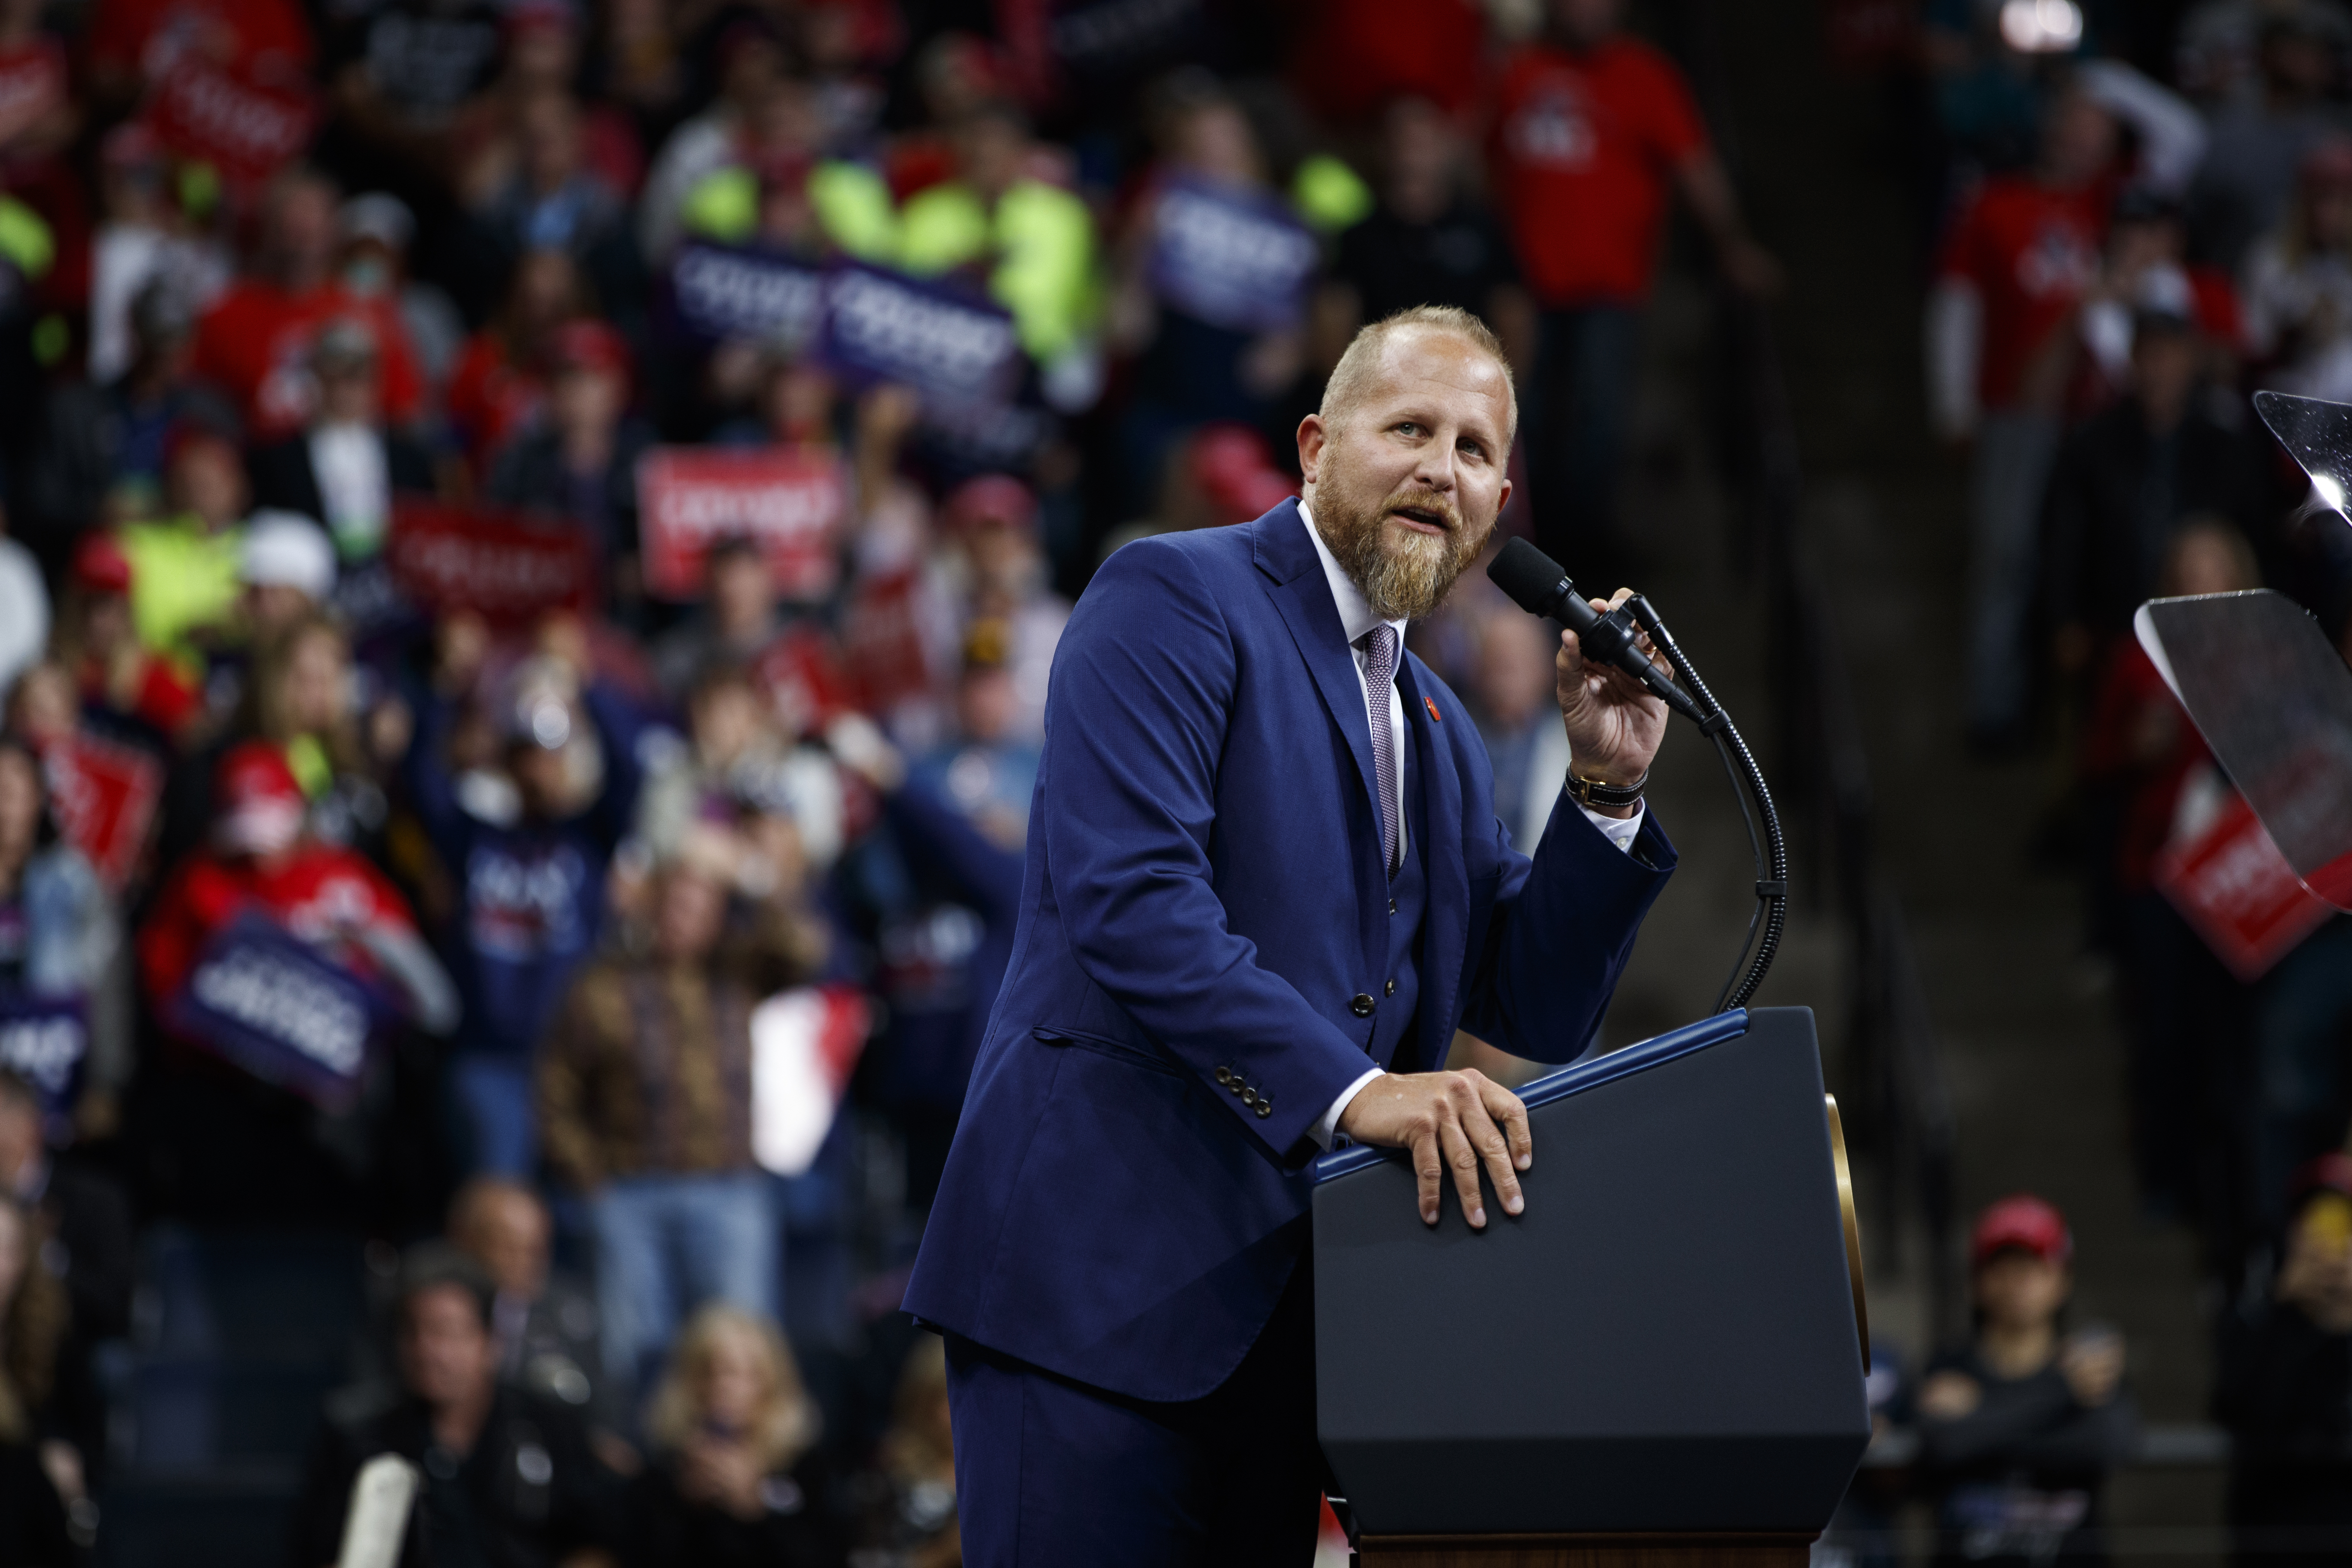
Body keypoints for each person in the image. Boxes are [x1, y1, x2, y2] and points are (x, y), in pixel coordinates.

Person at [902, 304, 1677, 1562]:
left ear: (1497, 508)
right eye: (1411, 427)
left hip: (1288, 1349)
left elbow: (1523, 1003)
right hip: (1091, 1298)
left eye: (1479, 449)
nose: (1446, 465)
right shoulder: (1172, 594)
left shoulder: (1437, 721)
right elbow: (1135, 904)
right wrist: (1361, 1090)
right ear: (1317, 445)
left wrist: (1604, 789)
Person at [1489, 0, 1778, 583]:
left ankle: (1577, 556)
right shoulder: (1515, 72)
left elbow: (1694, 166)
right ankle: (1524, 553)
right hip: (1524, 290)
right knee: (1521, 423)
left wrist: (1731, 244)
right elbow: (1480, 157)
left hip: (1609, 290)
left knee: (1598, 426)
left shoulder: (1646, 76)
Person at [538, 853, 822, 1399]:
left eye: (697, 908)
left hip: (729, 1189)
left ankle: (739, 1474)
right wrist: (587, 1175)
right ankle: (644, 1469)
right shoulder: (601, 985)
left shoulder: (741, 974)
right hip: (629, 1192)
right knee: (635, 1353)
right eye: (670, 904)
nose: (680, 919)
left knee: (742, 1348)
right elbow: (557, 1087)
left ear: (718, 918)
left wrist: (748, 877)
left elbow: (802, 948)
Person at [288, 1246, 622, 1568]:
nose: (428, 1351)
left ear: (490, 1342)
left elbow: (596, 1546)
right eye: (413, 1333)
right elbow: (320, 1553)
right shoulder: (355, 1435)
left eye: (445, 1332)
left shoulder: (551, 1424)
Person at [1917, 1195, 2137, 1567]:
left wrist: (1982, 1420)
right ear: (1979, 1281)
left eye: (2034, 1267)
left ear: (2062, 1280)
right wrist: (2063, 1395)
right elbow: (1945, 1443)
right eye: (2002, 1266)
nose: (2018, 1282)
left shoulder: (2090, 1361)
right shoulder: (1949, 1364)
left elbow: (2110, 1441)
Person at [628, 1304, 837, 1568]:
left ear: (773, 1383)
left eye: (743, 1374)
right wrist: (685, 1504)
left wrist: (755, 1508)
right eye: (710, 1372)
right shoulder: (664, 1468)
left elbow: (824, 1556)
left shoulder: (805, 1467)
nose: (723, 1386)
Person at [2218, 1153, 2352, 1565]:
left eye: (2341, 1225)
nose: (2325, 1243)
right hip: (2272, 1537)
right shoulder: (2256, 1314)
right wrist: (2284, 1310)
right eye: (2312, 1224)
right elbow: (2238, 1407)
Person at [247, 318, 438, 568]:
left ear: (376, 383)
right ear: (314, 380)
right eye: (332, 378)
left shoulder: (411, 461)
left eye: (356, 378)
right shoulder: (276, 462)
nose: (343, 391)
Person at [446, 1178, 611, 1430]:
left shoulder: (576, 1316)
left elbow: (602, 1405)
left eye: (537, 1248)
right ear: (467, 1243)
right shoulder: (439, 1310)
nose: (529, 1262)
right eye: (511, 1248)